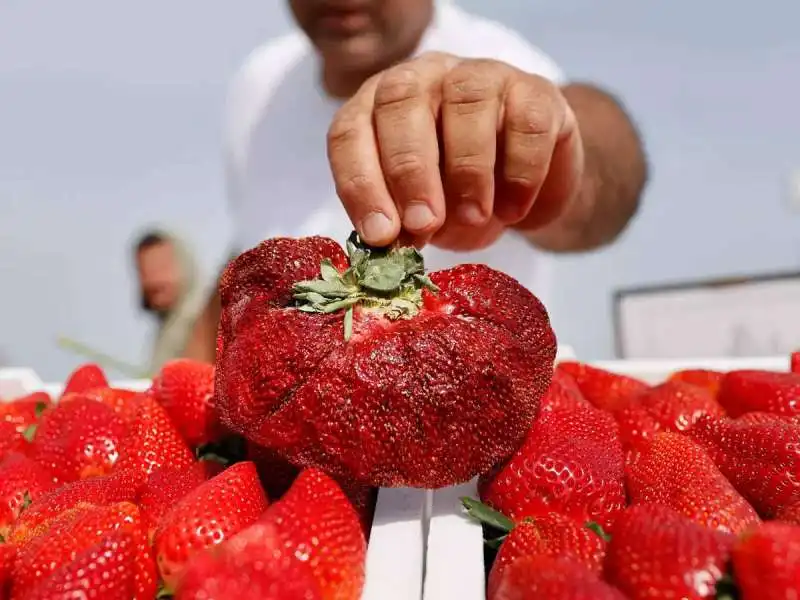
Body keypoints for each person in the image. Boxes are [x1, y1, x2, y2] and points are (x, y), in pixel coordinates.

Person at [184, 0, 648, 362]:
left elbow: (607, 179)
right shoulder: (260, 86)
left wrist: (549, 149)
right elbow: (253, 253)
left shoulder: (497, 60)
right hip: (299, 454)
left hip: (465, 455)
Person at [134, 230, 206, 374]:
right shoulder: (167, 331)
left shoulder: (208, 320)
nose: (154, 280)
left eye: (162, 268)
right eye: (145, 272)